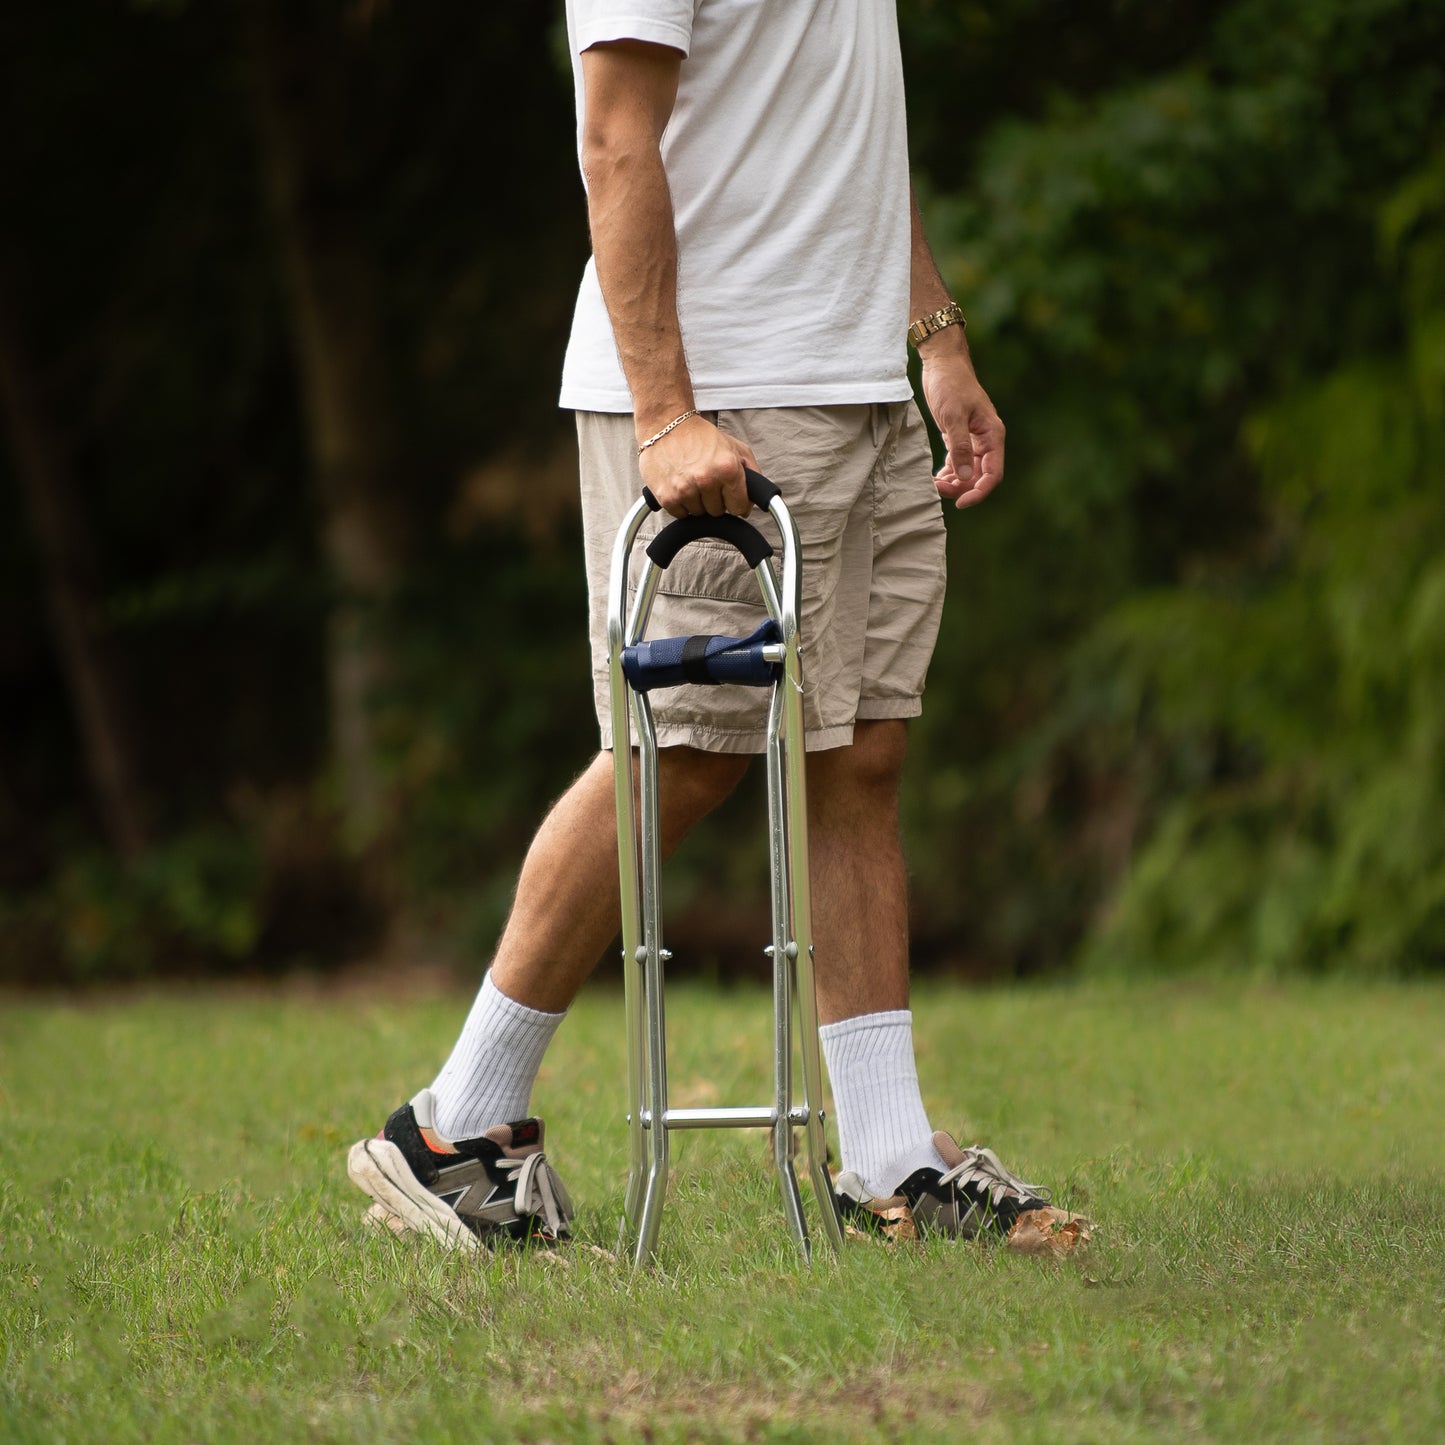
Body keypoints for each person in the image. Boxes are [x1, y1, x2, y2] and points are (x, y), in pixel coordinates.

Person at [348, 0, 1079, 1249]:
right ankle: (454, 1121)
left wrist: (934, 336)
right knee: (683, 750)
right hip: (725, 392)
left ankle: (890, 1157)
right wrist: (665, 416)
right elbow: (616, 142)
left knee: (860, 756)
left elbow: (845, 134)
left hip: (861, 383)